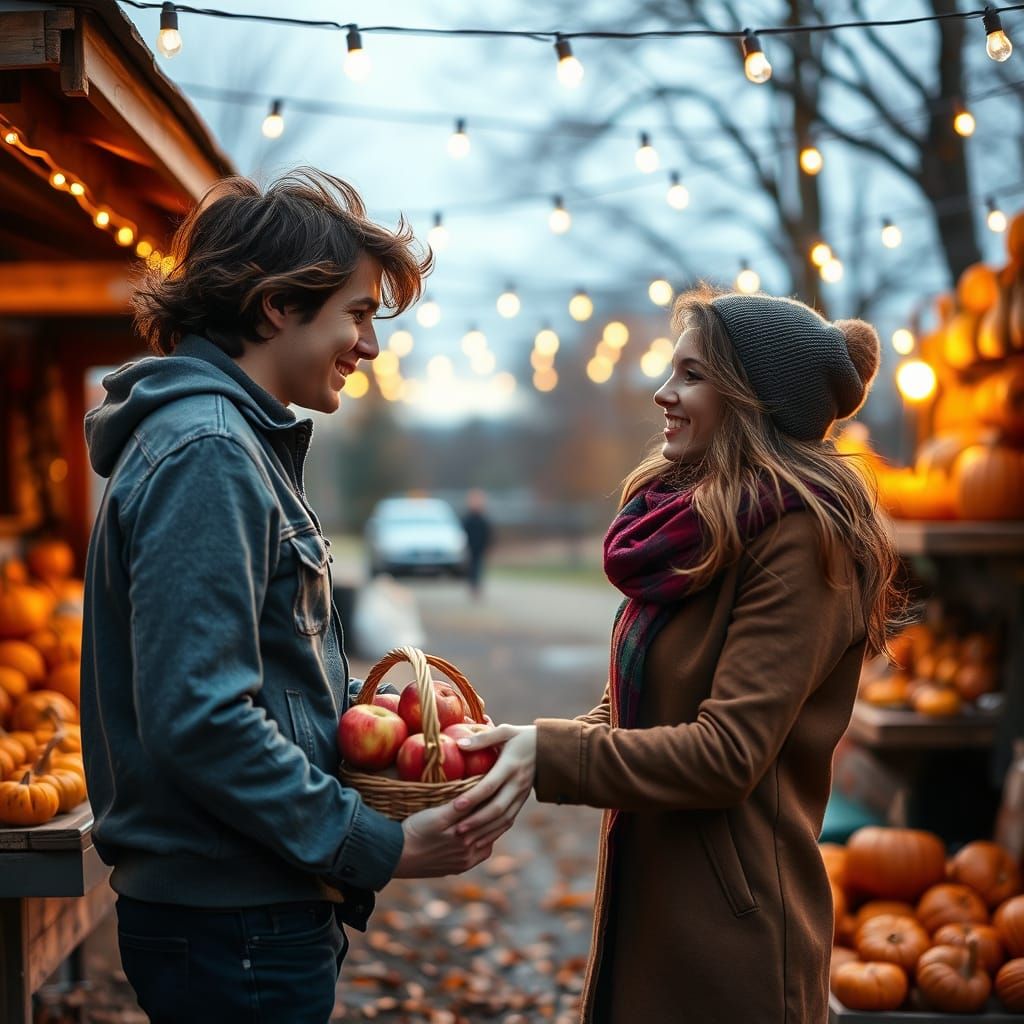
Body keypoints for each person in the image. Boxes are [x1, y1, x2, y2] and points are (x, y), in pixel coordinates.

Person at [80, 169, 503, 1024]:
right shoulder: (209, 452)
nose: (371, 346)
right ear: (278, 305)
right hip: (232, 916)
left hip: (245, 907)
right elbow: (202, 717)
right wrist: (380, 844)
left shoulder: (230, 441)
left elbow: (245, 679)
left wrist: (365, 721)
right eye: (357, 313)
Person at [455, 285, 904, 1023]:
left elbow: (728, 754)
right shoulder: (699, 526)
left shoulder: (802, 541)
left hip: (732, 943)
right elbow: (639, 700)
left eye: (691, 375)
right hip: (654, 894)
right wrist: (520, 746)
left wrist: (550, 756)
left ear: (751, 398)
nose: (663, 393)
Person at [460, 488, 494, 596]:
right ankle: (472, 586)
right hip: (470, 546)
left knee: (478, 567)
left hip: (480, 546)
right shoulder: (467, 519)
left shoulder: (483, 519)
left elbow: (488, 533)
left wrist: (488, 545)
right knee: (471, 568)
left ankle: (477, 586)